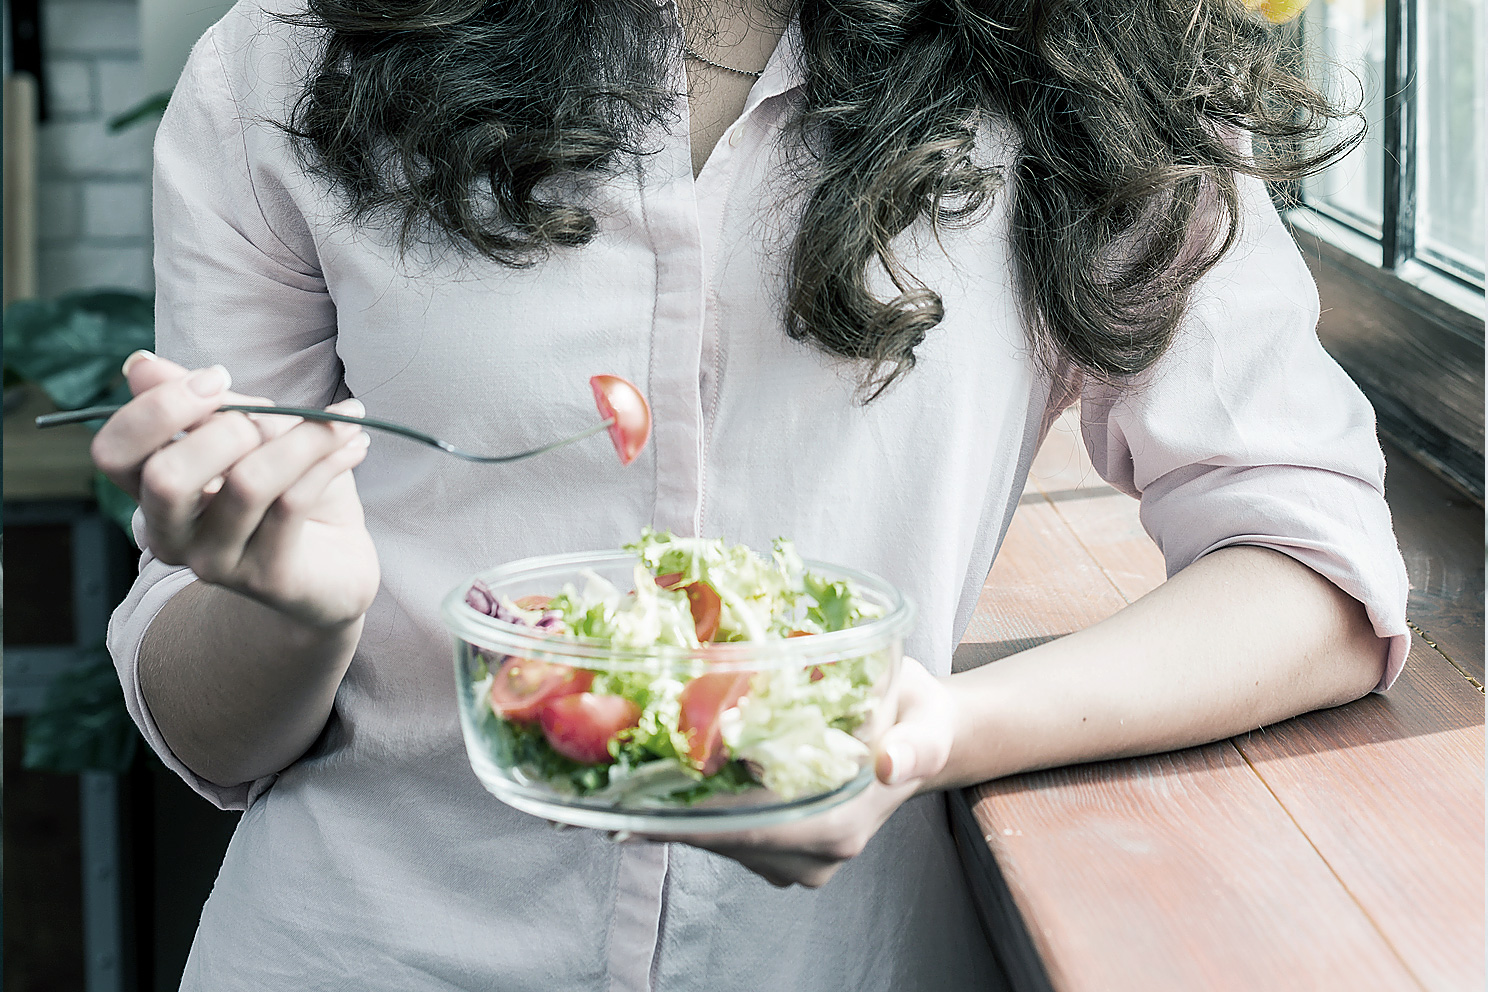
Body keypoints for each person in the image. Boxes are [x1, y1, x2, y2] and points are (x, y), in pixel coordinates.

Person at [97, 0, 1408, 988]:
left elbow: (1315, 578)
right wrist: (295, 609)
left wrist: (927, 733)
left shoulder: (1082, 56)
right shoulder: (288, 63)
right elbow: (208, 727)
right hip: (359, 949)